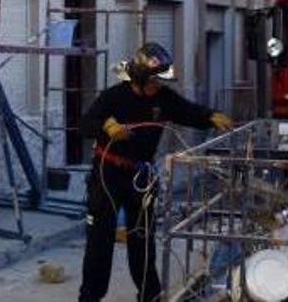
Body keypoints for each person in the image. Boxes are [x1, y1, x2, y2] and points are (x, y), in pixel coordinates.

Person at [78, 42, 234, 302]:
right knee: (99, 243)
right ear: (140, 77)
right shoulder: (114, 96)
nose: (159, 85)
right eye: (154, 80)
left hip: (141, 177)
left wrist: (211, 116)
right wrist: (106, 125)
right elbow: (84, 124)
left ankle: (150, 296)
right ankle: (90, 297)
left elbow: (187, 111)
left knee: (142, 240)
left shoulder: (163, 98)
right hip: (108, 174)